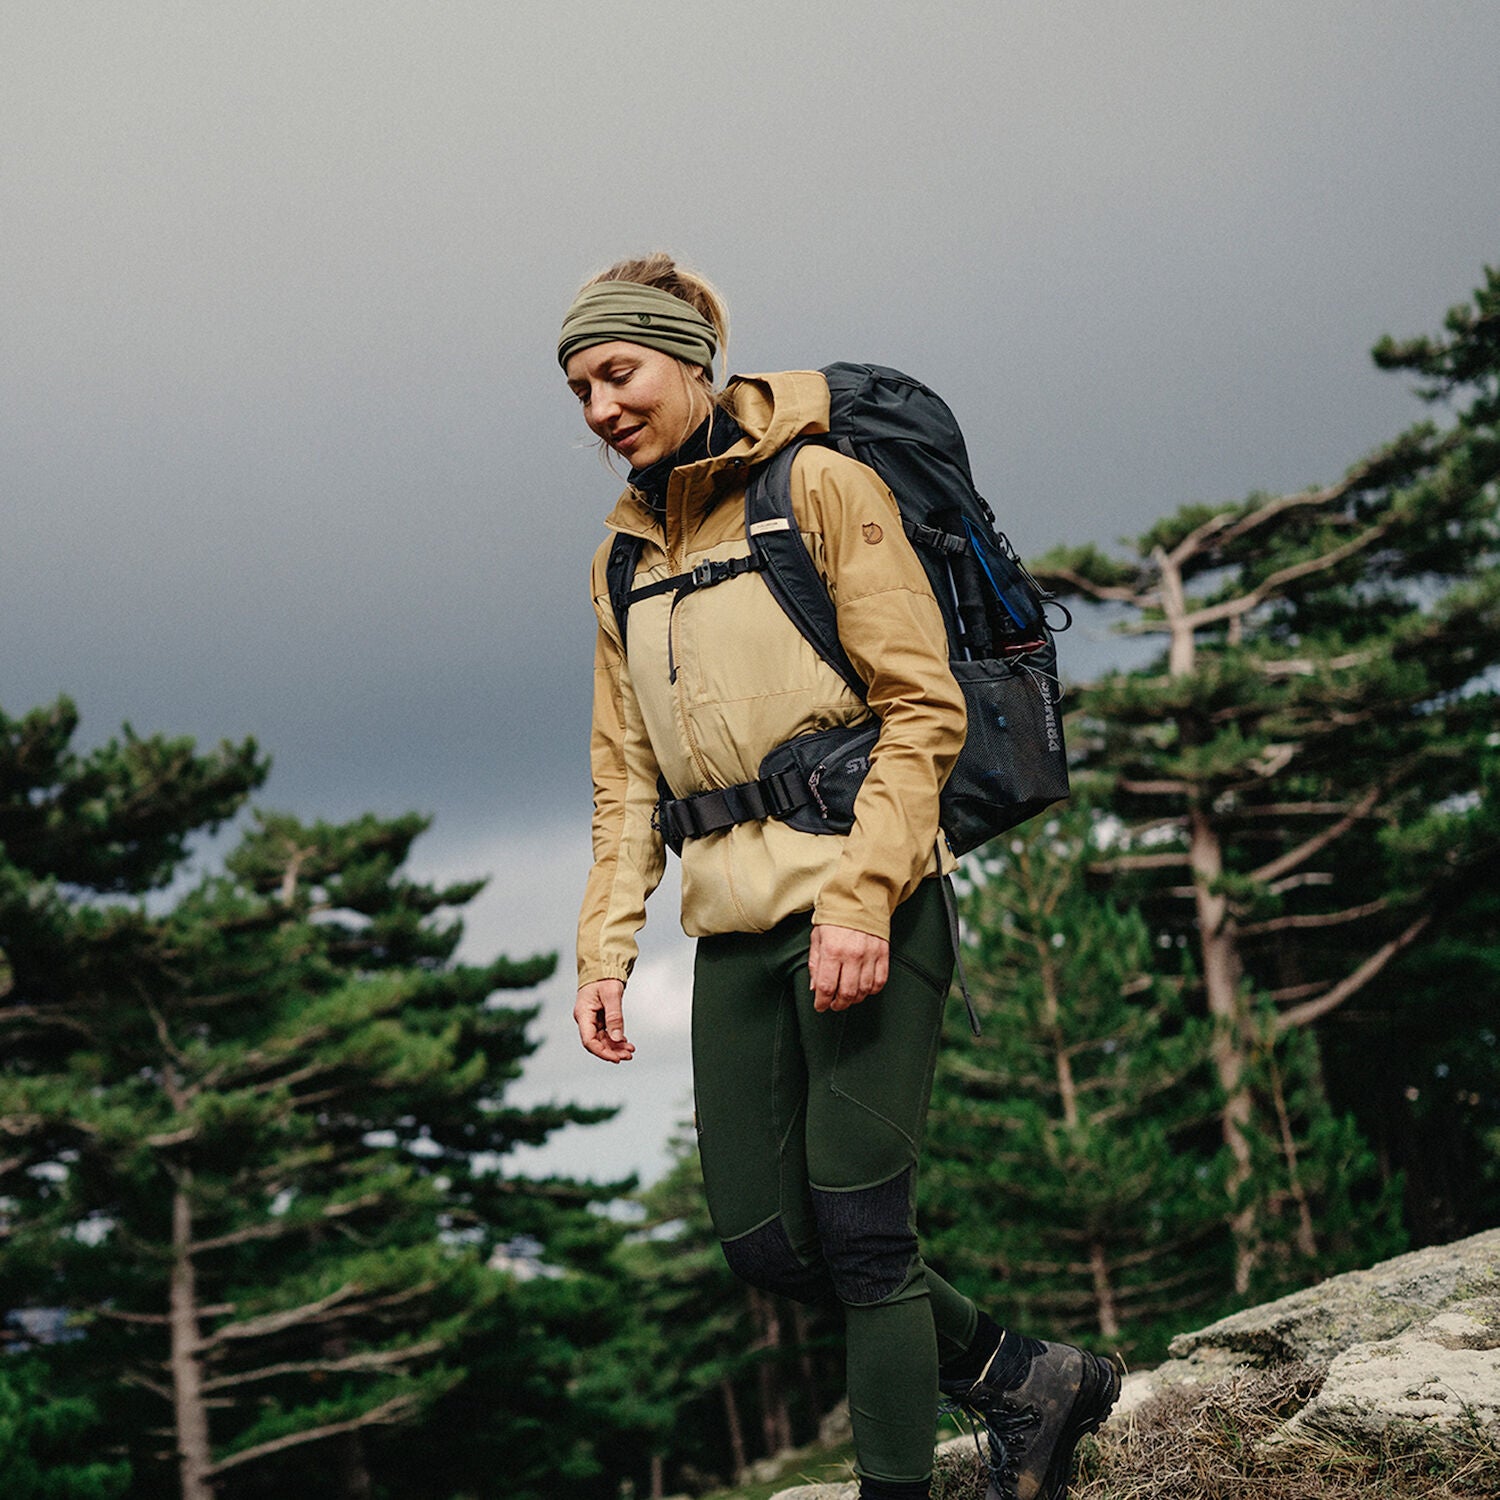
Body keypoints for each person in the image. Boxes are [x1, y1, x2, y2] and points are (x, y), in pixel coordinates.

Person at [561, 253, 1119, 1500]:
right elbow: (624, 779)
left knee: (867, 1238)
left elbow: (922, 708)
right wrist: (605, 950)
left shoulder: (818, 484)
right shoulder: (620, 563)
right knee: (767, 1242)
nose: (600, 409)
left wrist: (865, 898)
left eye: (619, 372)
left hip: (868, 897)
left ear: (688, 360)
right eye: (579, 389)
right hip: (732, 925)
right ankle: (1030, 1380)